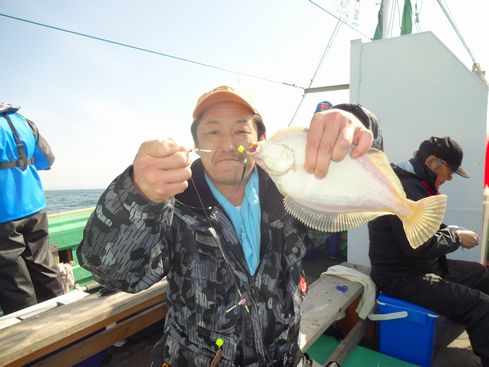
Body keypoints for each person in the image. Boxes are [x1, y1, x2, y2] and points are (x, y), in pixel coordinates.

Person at [77, 85, 382, 367]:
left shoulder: (293, 194)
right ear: (196, 146)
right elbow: (114, 274)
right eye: (213, 132)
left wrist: (354, 123)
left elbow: (352, 183)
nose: (227, 144)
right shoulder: (172, 205)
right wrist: (137, 194)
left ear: (260, 141)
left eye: (240, 130)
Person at [368, 136, 489, 367]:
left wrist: (449, 230)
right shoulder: (403, 189)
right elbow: (417, 244)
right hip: (401, 277)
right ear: (432, 162)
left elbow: (424, 227)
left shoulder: (415, 183)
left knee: (482, 275)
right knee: (481, 305)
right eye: (449, 170)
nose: (450, 177)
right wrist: (455, 238)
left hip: (422, 266)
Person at [0, 103, 63, 315]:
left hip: (4, 214)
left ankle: (31, 337)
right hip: (35, 206)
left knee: (14, 280)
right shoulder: (25, 122)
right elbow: (47, 160)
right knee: (44, 267)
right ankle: (64, 324)